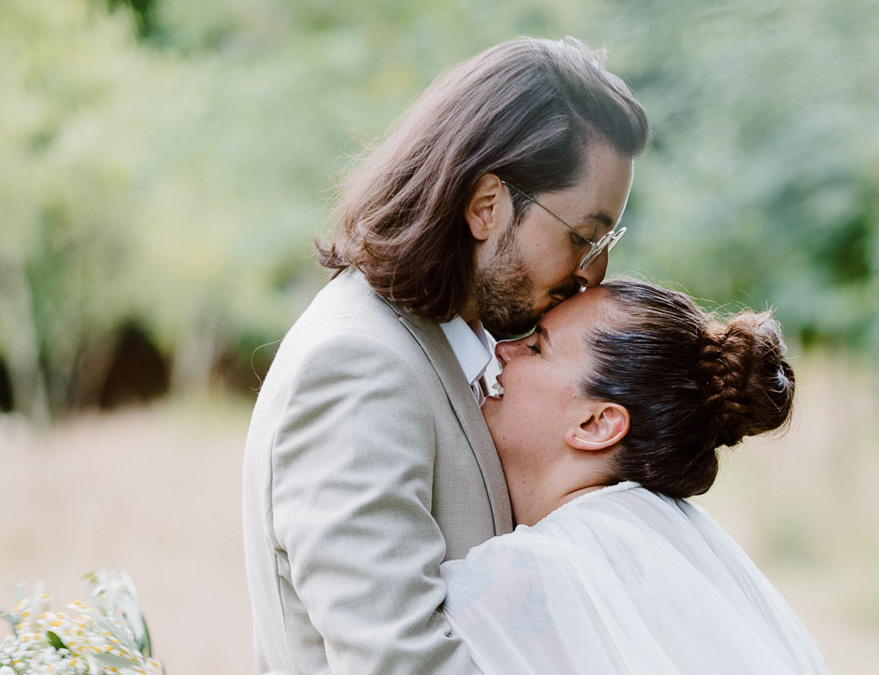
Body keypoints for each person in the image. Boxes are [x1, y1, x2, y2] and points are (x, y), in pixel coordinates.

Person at [241, 37, 650, 675]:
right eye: (584, 237)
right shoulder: (360, 363)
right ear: (487, 206)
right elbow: (400, 661)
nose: (594, 273)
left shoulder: (449, 349)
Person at [441, 279, 829, 674]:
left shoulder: (531, 569)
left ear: (596, 424)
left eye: (537, 347)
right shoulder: (665, 536)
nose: (504, 350)